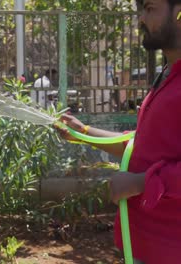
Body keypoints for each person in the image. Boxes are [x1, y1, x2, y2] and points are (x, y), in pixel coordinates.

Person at [56, 1, 181, 262]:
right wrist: (83, 132)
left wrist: (138, 182)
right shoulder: (168, 76)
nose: (140, 20)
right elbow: (142, 147)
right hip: (143, 245)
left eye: (150, 8)